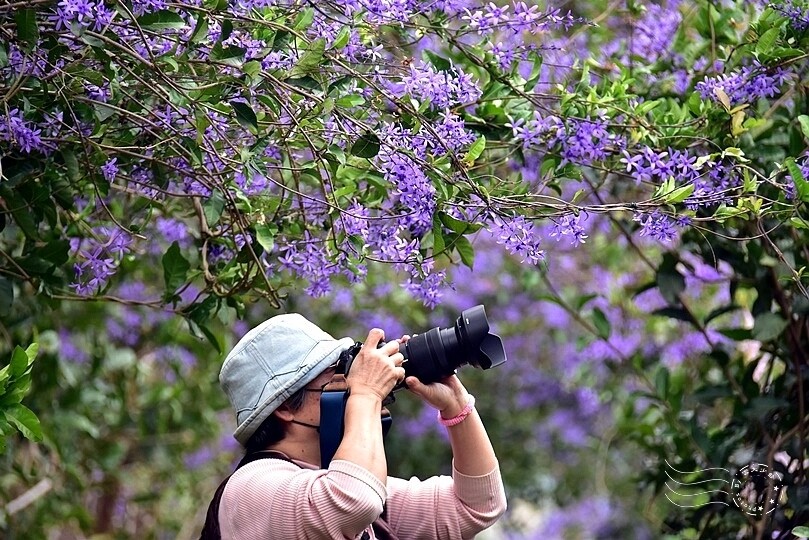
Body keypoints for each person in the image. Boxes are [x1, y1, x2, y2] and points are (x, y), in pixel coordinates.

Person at [203, 313, 507, 539]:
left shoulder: (334, 482)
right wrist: (367, 393)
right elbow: (353, 499)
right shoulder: (250, 487)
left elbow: (476, 506)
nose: (350, 383)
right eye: (337, 374)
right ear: (284, 407)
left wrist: (457, 406)